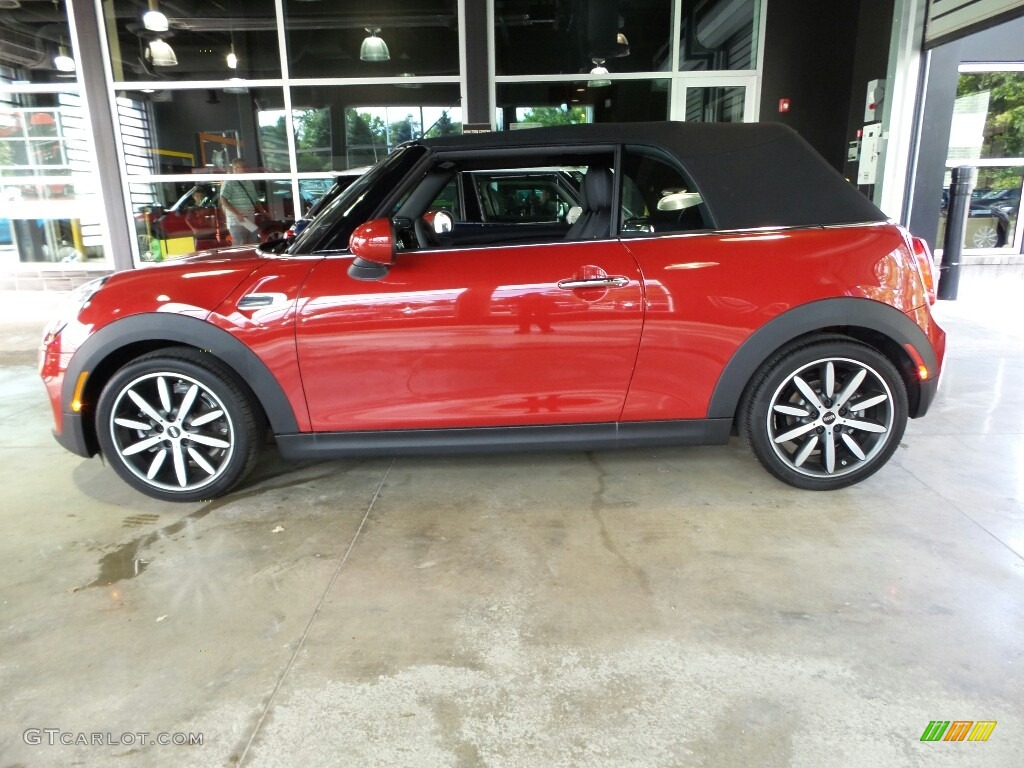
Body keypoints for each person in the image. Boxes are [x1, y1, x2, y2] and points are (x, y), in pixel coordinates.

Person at [220, 157, 260, 245]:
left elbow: (256, 200)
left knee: (253, 243)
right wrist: (237, 214)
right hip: (236, 221)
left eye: (246, 166)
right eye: (243, 167)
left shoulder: (249, 182)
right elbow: (223, 199)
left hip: (249, 220)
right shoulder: (229, 182)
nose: (246, 169)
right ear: (235, 168)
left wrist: (263, 212)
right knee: (240, 245)